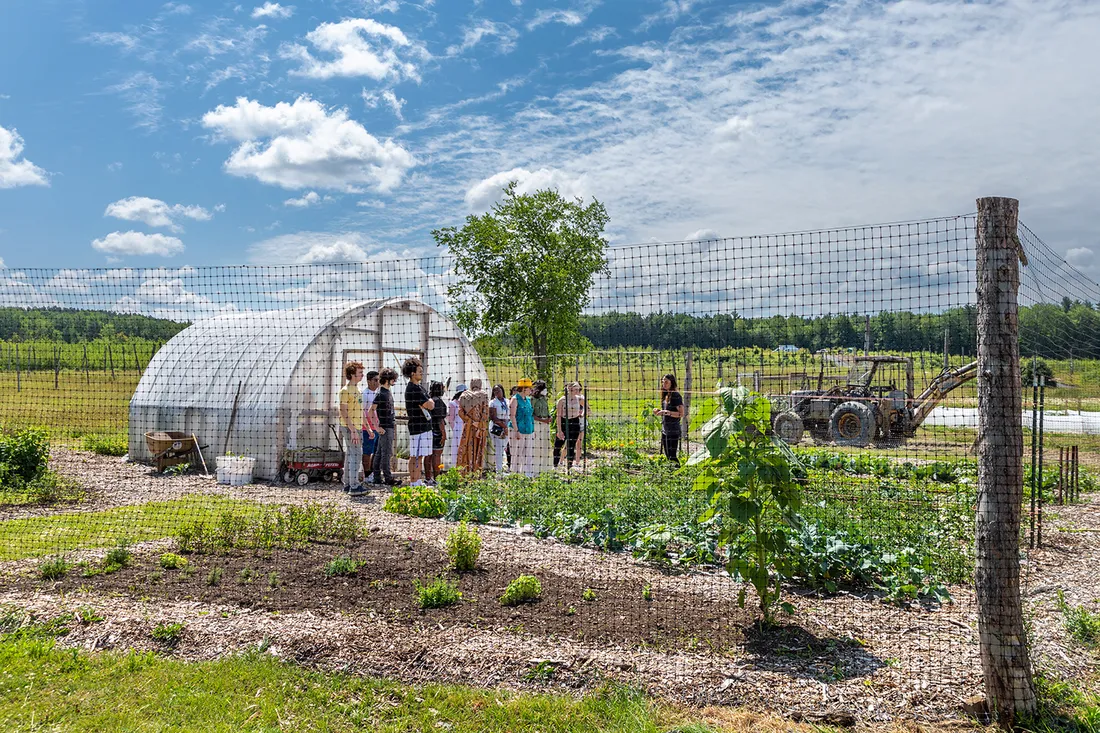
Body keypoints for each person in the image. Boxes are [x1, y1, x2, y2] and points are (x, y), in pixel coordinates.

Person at [403, 357, 435, 486]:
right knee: (415, 455)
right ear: (412, 373)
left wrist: (428, 403)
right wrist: (428, 402)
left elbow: (429, 404)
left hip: (425, 426)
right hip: (417, 427)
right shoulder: (413, 389)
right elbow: (430, 404)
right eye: (419, 370)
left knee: (420, 455)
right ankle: (413, 481)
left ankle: (417, 479)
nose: (421, 372)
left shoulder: (420, 387)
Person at [338, 361, 367, 497]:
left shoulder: (358, 390)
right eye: (360, 372)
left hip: (357, 427)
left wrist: (367, 427)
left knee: (351, 454)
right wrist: (353, 430)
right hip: (350, 428)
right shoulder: (345, 391)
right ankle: (354, 486)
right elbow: (344, 412)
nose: (362, 375)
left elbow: (360, 411)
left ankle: (348, 483)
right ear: (352, 374)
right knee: (356, 455)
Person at [370, 368, 399, 486]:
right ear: (387, 380)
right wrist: (377, 427)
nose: (395, 381)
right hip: (385, 427)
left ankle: (377, 477)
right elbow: (371, 411)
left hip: (388, 426)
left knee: (380, 453)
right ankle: (388, 478)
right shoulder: (381, 393)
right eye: (393, 379)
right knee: (386, 453)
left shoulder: (386, 392)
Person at [457, 379, 488, 475]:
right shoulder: (483, 395)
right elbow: (485, 413)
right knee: (478, 449)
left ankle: (465, 473)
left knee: (466, 448)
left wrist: (469, 420)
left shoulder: (464, 395)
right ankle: (476, 473)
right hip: (479, 428)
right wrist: (479, 424)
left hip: (468, 427)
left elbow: (460, 412)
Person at [554, 381, 586, 469]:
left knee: (571, 446)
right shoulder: (562, 400)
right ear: (570, 389)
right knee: (558, 445)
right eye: (576, 389)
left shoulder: (579, 398)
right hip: (564, 421)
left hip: (575, 422)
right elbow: (558, 415)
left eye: (578, 389)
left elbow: (586, 408)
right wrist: (559, 430)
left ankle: (569, 466)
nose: (577, 391)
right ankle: (555, 465)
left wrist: (582, 413)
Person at [653, 373, 685, 464]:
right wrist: (660, 411)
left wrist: (666, 412)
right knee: (668, 456)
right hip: (665, 430)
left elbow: (681, 414)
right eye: (663, 382)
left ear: (672, 383)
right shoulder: (666, 395)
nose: (664, 384)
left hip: (673, 430)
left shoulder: (675, 395)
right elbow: (667, 410)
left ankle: (678, 474)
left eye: (666, 382)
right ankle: (672, 474)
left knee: (672, 456)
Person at [509, 378, 535, 477]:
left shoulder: (528, 400)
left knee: (528, 454)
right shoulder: (515, 399)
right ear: (524, 388)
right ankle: (514, 475)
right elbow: (512, 416)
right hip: (518, 430)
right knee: (516, 454)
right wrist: (516, 431)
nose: (531, 391)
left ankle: (528, 475)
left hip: (528, 430)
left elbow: (530, 415)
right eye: (529, 388)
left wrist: (533, 429)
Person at [426, 380, 448, 484]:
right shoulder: (439, 402)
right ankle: (437, 478)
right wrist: (443, 433)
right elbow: (440, 420)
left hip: (428, 431)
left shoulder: (429, 400)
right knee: (436, 455)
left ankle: (427, 478)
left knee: (428, 456)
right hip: (437, 432)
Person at [530, 379, 553, 475]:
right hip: (537, 424)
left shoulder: (544, 399)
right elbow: (531, 415)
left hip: (545, 424)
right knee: (537, 447)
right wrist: (542, 420)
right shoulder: (533, 400)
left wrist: (549, 417)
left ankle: (546, 469)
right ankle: (535, 470)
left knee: (546, 446)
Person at [361, 370, 380, 483]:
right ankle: (367, 474)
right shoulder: (365, 394)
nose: (377, 382)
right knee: (367, 452)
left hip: (377, 427)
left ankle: (373, 472)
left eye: (378, 380)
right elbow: (363, 412)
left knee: (376, 451)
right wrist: (367, 428)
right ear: (369, 381)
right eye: (375, 380)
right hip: (367, 428)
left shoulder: (378, 393)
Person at [489, 384, 510, 474]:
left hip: (507, 425)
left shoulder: (507, 401)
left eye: (499, 390)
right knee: (499, 449)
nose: (497, 392)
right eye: (495, 391)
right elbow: (493, 417)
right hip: (497, 427)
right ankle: (499, 471)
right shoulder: (493, 402)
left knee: (504, 448)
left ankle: (503, 468)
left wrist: (507, 426)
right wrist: (504, 427)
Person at [447, 384, 467, 471]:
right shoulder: (453, 403)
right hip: (458, 429)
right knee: (457, 448)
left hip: (466, 427)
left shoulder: (466, 403)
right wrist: (455, 428)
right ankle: (456, 468)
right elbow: (450, 419)